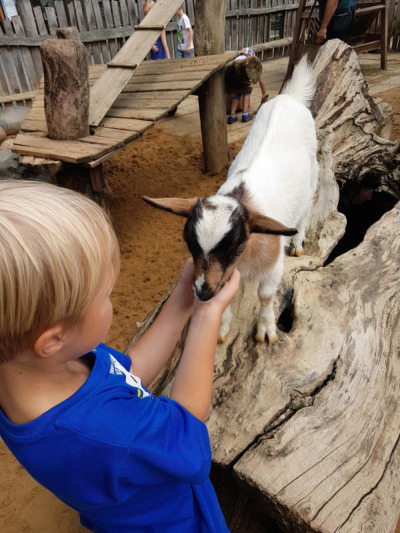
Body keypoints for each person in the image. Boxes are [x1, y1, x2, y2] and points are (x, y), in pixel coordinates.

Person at [0, 180, 240, 532]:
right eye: (106, 294)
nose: (112, 299)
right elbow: (186, 438)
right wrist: (207, 315)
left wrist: (183, 298)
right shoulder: (108, 433)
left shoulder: (39, 366)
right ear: (51, 339)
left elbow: (128, 375)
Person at [227, 47, 268, 125]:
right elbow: (260, 79)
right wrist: (264, 93)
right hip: (243, 77)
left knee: (237, 93)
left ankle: (232, 116)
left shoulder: (236, 59)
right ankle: (245, 114)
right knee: (246, 90)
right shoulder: (249, 62)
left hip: (233, 78)